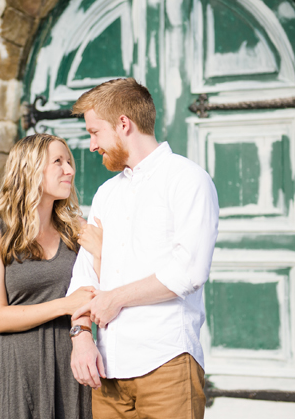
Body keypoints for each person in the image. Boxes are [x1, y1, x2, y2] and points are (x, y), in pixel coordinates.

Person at [66, 78, 220, 419]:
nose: (91, 145)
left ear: (124, 124)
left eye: (95, 132)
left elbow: (189, 270)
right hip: (106, 374)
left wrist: (115, 297)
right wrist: (81, 337)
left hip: (166, 366)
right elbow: (85, 274)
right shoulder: (106, 193)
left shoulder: (187, 179)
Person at [0, 133, 100, 419]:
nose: (69, 169)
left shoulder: (77, 229)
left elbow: (103, 284)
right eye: (58, 161)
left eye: (69, 161)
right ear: (29, 168)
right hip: (17, 368)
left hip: (71, 365)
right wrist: (64, 305)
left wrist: (103, 252)